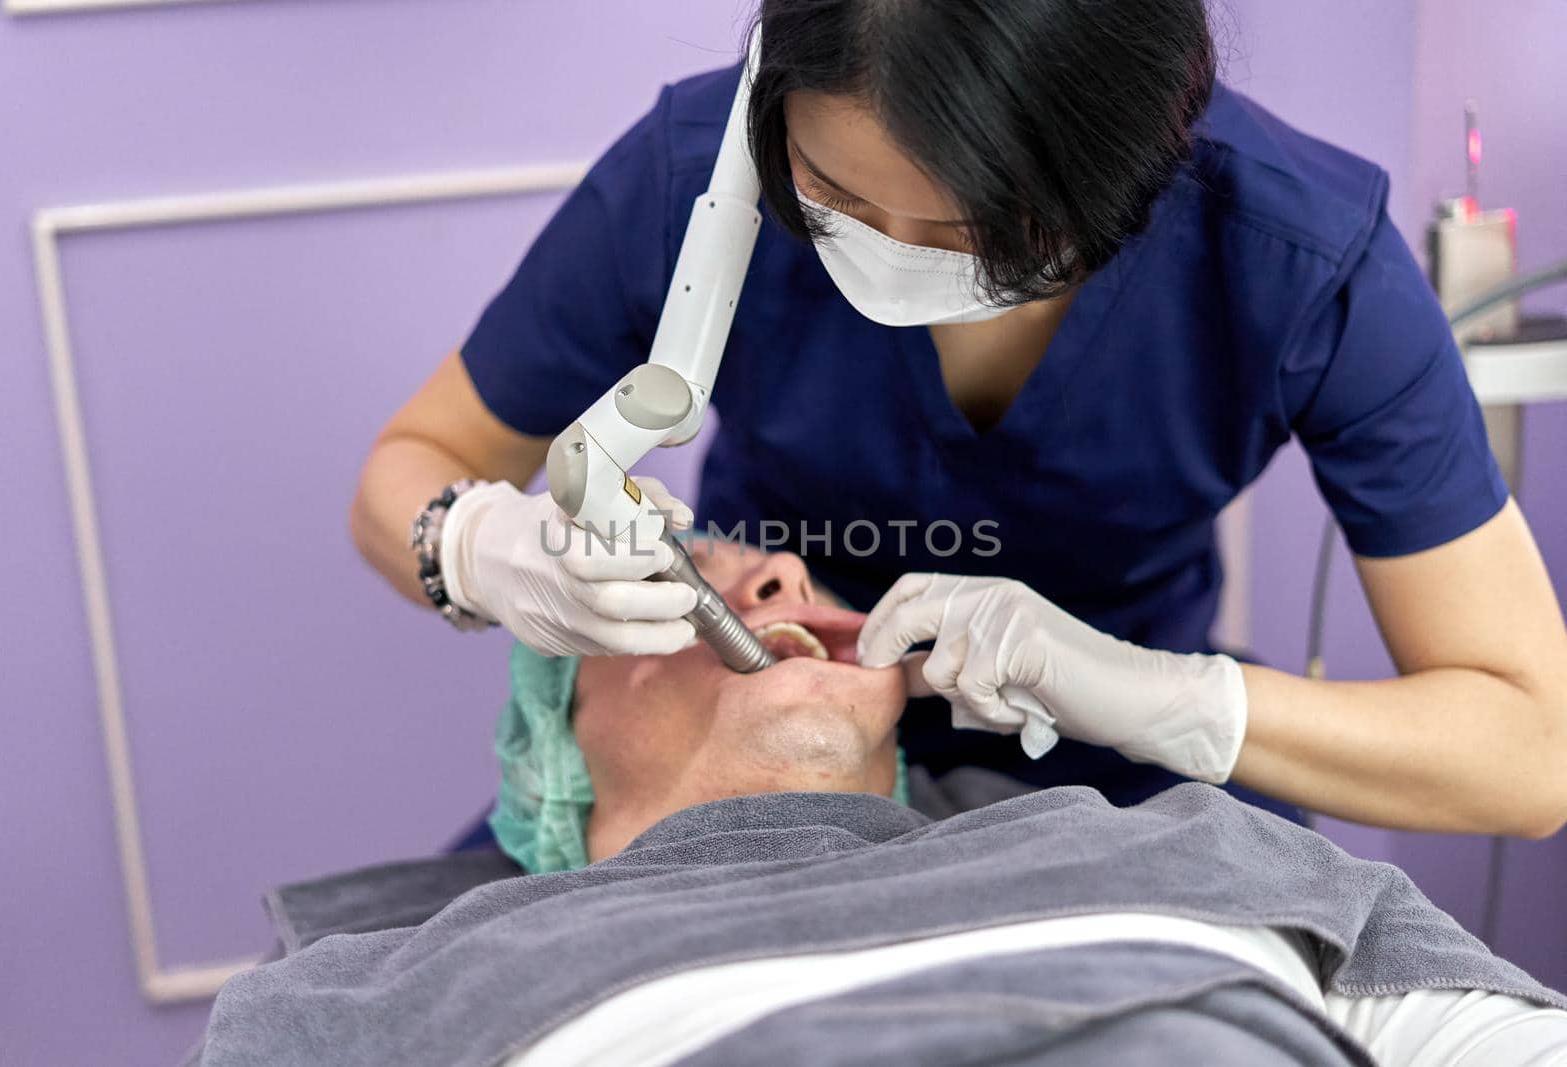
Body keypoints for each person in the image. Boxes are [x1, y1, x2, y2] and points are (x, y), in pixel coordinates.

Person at [349, 0, 1567, 834]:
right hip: (727, 741)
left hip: (1126, 763)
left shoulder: (1297, 256)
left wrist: (1152, 697)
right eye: (826, 192)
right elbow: (416, 465)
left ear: (1140, 170)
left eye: (981, 232)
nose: (887, 255)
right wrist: (471, 548)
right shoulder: (687, 175)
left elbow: (1528, 748)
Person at [192, 543, 1567, 1065]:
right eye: (678, 581)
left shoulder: (1188, 836)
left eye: (771, 562)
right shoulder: (359, 990)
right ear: (564, 738)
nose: (780, 571)